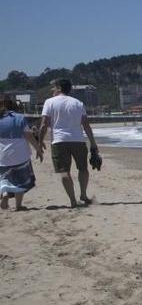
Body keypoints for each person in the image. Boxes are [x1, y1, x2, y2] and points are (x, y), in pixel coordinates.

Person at [38, 79, 99, 208]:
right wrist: (93, 143)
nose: (52, 90)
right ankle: (83, 194)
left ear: (59, 88)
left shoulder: (49, 102)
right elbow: (86, 125)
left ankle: (72, 200)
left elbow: (44, 125)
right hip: (78, 140)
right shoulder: (78, 103)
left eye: (54, 87)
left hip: (59, 142)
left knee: (64, 171)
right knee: (83, 169)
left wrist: (39, 142)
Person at [0, 95, 43, 210]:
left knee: (3, 178)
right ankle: (18, 205)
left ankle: (4, 194)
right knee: (21, 180)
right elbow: (29, 136)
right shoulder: (19, 117)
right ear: (12, 104)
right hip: (20, 154)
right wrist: (38, 149)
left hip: (2, 155)